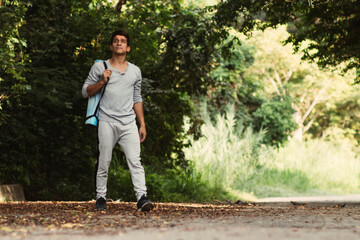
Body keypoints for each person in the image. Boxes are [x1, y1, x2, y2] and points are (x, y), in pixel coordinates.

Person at [82, 30, 154, 212]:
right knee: (104, 161)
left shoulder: (135, 71)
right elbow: (85, 91)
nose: (119, 43)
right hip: (106, 121)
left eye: (122, 41)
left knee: (135, 161)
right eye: (115, 41)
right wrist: (101, 81)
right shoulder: (100, 67)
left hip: (128, 123)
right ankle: (100, 198)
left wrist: (142, 124)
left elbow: (137, 98)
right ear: (111, 46)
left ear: (128, 47)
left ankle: (142, 198)